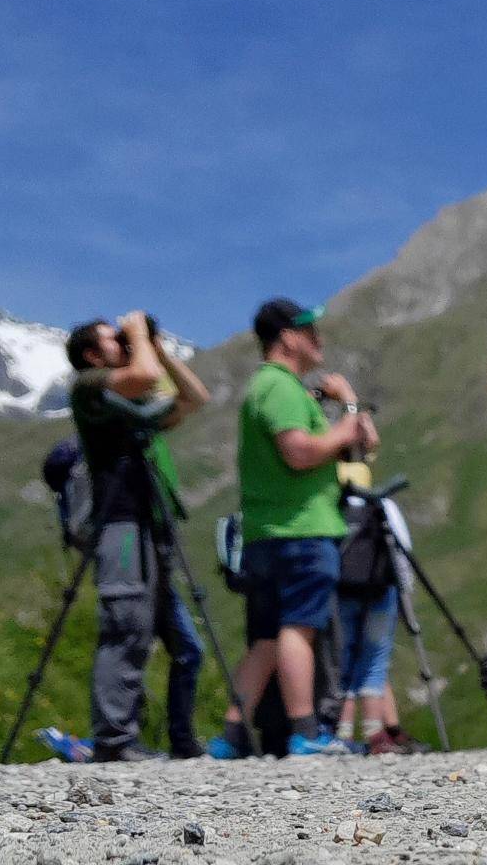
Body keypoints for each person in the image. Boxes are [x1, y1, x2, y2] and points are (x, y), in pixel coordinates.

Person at [208, 299, 378, 759]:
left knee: (266, 638)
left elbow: (363, 443)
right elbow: (299, 451)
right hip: (301, 530)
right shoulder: (280, 388)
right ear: (286, 337)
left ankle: (231, 735)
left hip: (267, 532)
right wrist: (345, 419)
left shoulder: (272, 388)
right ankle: (306, 732)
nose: (318, 338)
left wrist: (346, 411)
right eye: (308, 330)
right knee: (298, 628)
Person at [66, 312, 211, 762]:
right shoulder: (89, 387)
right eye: (113, 339)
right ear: (93, 355)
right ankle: (114, 741)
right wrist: (137, 335)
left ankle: (183, 740)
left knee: (186, 645)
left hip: (153, 526)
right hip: (121, 526)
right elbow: (144, 376)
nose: (125, 341)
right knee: (126, 629)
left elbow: (194, 398)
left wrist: (160, 350)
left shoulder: (131, 408)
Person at [334, 454, 420, 755]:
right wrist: (405, 595)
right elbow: (402, 551)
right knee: (374, 662)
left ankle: (341, 734)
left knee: (342, 663)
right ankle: (376, 736)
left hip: (341, 593)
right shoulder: (384, 506)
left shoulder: (334, 508)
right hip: (381, 593)